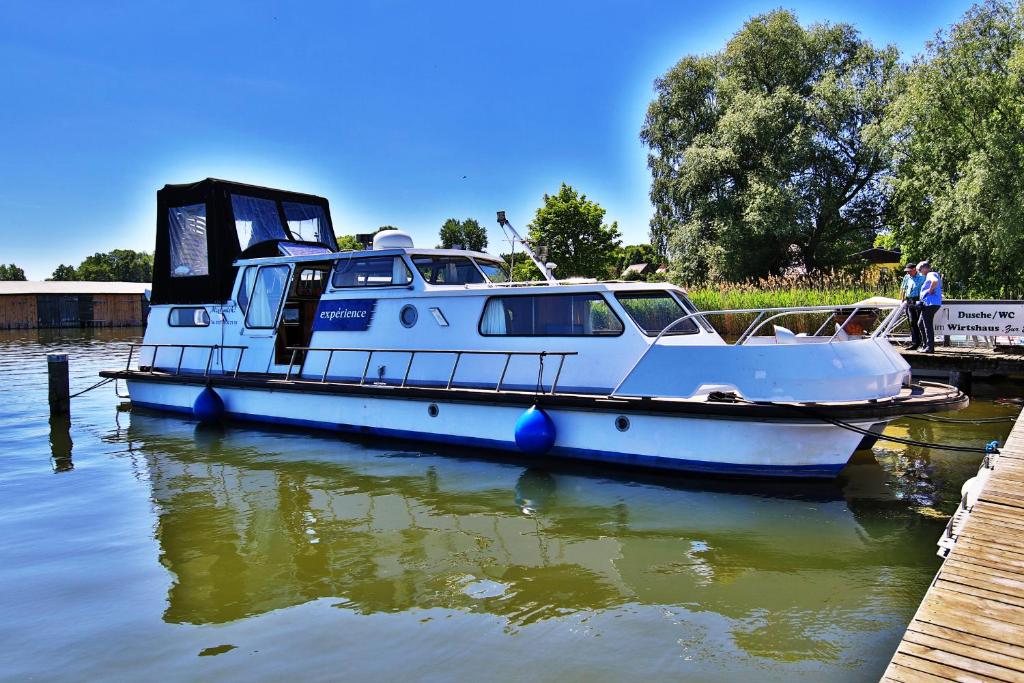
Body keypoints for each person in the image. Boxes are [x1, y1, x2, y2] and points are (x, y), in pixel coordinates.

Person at [917, 260, 943, 353]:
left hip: (930, 303)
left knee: (927, 325)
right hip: (929, 303)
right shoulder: (931, 275)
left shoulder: (931, 274)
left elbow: (935, 281)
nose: (919, 272)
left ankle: (930, 347)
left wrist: (930, 289)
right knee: (920, 324)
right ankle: (925, 345)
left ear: (925, 268)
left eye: (920, 269)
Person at [899, 262, 925, 349]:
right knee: (912, 322)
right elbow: (903, 288)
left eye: (909, 271)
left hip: (918, 300)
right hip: (909, 300)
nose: (908, 272)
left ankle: (921, 342)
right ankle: (915, 342)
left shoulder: (922, 277)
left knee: (918, 322)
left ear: (914, 270)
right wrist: (901, 301)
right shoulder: (907, 277)